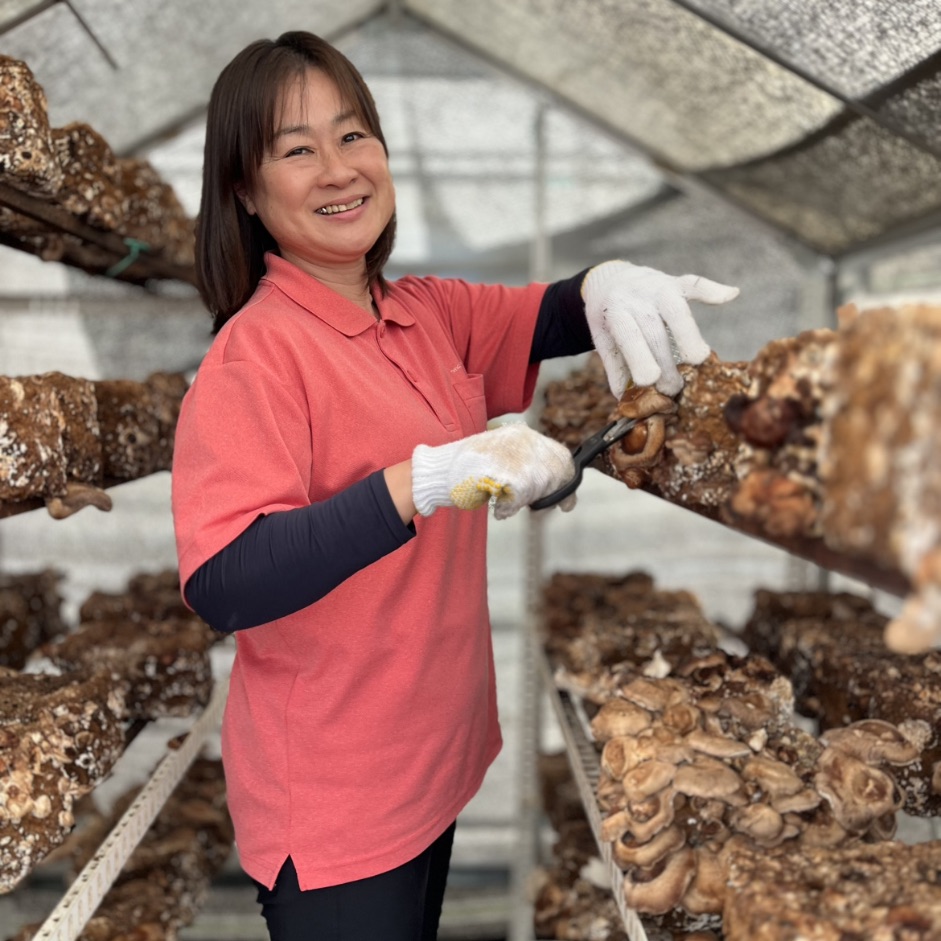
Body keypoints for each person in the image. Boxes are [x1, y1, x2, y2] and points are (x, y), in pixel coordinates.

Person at [170, 30, 739, 941]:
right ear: (244, 188)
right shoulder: (255, 355)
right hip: (339, 797)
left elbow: (549, 313)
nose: (338, 169)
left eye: (353, 135)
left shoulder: (419, 311)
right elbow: (226, 578)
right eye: (297, 150)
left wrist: (605, 283)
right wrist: (427, 479)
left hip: (428, 763)